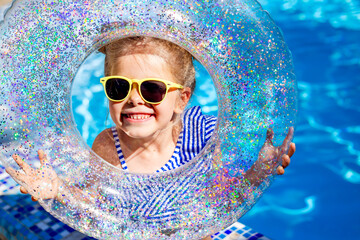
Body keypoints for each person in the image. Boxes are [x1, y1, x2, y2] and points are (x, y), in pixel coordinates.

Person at [6, 36, 296, 238]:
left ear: (182, 99)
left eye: (152, 89)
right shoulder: (108, 146)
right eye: (119, 87)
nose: (134, 99)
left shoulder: (204, 135)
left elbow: (222, 197)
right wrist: (58, 191)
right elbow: (92, 206)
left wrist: (258, 173)